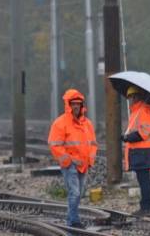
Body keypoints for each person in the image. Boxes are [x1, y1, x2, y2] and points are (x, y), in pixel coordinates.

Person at [48, 89, 97, 229]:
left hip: (84, 165)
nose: (76, 106)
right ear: (68, 105)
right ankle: (73, 221)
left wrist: (90, 160)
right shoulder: (60, 123)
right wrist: (68, 160)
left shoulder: (87, 124)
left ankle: (71, 219)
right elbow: (54, 144)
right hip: (70, 165)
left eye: (78, 103)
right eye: (73, 104)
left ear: (82, 105)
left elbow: (93, 144)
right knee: (74, 193)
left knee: (78, 194)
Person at [122, 85, 150, 216]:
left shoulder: (143, 111)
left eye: (131, 97)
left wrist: (129, 137)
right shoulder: (136, 111)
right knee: (143, 180)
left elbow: (145, 131)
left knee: (144, 180)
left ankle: (146, 207)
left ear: (135, 97)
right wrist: (128, 137)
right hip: (142, 152)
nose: (130, 100)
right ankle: (146, 206)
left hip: (143, 152)